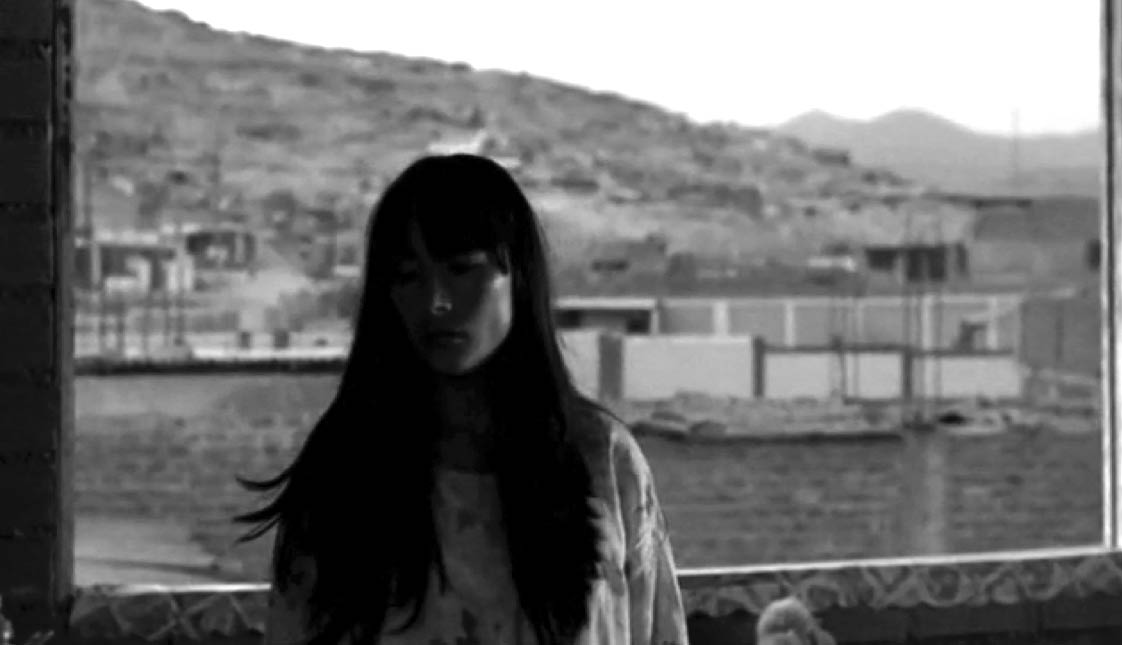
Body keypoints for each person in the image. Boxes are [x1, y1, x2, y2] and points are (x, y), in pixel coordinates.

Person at [235, 153, 689, 645]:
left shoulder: (602, 460)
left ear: (517, 275)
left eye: (461, 270)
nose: (436, 302)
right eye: (408, 276)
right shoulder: (343, 473)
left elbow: (657, 630)